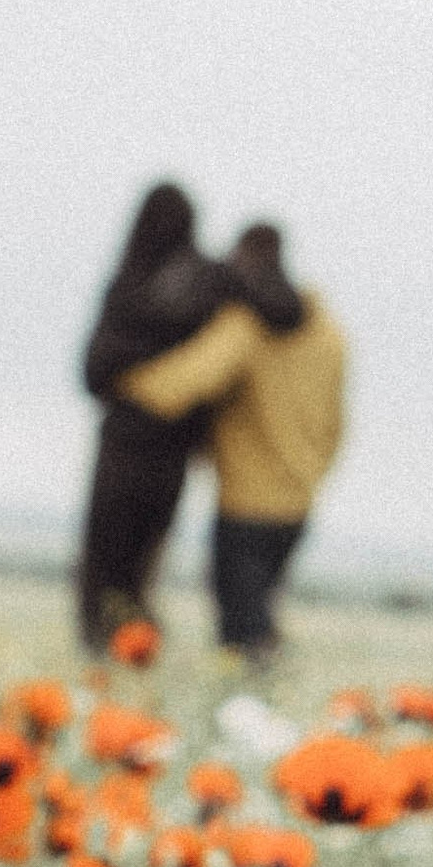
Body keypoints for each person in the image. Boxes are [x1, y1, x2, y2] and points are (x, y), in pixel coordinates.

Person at [73, 185, 302, 649]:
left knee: (104, 564)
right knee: (139, 568)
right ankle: (130, 649)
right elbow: (286, 310)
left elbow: (92, 373)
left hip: (124, 444)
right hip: (170, 454)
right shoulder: (210, 279)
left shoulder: (130, 280)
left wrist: (137, 380)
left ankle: (108, 651)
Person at [117, 221, 347, 657]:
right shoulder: (330, 338)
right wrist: (312, 473)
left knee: (241, 629)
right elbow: (337, 426)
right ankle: (268, 695)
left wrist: (121, 382)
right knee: (260, 612)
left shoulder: (248, 327)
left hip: (246, 503)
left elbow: (187, 382)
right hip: (299, 505)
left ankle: (259, 706)